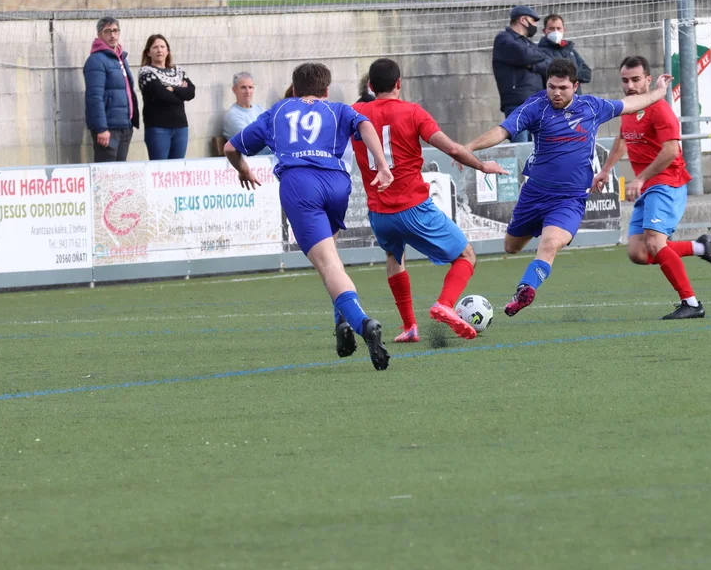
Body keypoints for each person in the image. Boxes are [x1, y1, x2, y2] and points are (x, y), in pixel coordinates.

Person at [224, 62, 395, 371]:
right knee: (330, 259)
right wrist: (382, 165)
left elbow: (230, 148)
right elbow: (365, 125)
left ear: (294, 89)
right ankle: (341, 323)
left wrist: (244, 169)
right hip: (337, 184)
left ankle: (362, 323)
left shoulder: (278, 111)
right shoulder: (338, 109)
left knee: (327, 264)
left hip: (300, 185)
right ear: (326, 90)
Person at [464, 58, 667, 318]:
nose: (556, 93)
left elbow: (631, 104)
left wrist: (659, 91)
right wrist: (469, 148)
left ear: (575, 86)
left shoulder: (592, 107)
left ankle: (525, 289)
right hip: (534, 194)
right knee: (511, 247)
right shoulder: (535, 107)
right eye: (552, 87)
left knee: (549, 245)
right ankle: (531, 251)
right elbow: (502, 131)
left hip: (569, 199)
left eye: (563, 88)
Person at [351, 58, 508, 343]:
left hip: (378, 213)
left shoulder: (355, 112)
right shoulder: (413, 112)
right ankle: (444, 304)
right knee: (466, 256)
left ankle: (409, 326)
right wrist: (482, 165)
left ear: (371, 86)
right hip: (413, 207)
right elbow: (452, 149)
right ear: (399, 83)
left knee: (394, 257)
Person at [592, 56, 711, 320]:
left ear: (648, 79)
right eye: (625, 80)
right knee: (639, 252)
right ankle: (701, 248)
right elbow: (622, 139)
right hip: (648, 186)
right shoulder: (629, 109)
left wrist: (641, 178)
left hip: (667, 182)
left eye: (635, 80)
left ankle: (691, 303)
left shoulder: (660, 109)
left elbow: (671, 151)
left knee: (654, 242)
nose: (630, 86)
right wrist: (605, 170)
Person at [492, 5, 550, 143]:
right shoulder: (504, 39)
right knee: (520, 147)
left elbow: (548, 63)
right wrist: (533, 60)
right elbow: (524, 55)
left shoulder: (529, 44)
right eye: (533, 21)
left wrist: (531, 65)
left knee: (537, 147)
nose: (535, 25)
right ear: (523, 20)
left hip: (536, 104)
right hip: (518, 104)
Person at [84, 17, 139, 163]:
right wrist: (102, 129)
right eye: (107, 31)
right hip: (109, 128)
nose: (112, 35)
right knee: (106, 171)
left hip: (125, 125)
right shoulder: (96, 60)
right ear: (99, 35)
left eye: (115, 31)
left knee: (120, 172)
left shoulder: (121, 58)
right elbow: (94, 97)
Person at [138, 34, 195, 161]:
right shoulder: (146, 73)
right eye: (155, 47)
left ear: (168, 51)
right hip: (158, 128)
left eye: (162, 47)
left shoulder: (178, 71)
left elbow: (191, 92)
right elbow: (162, 96)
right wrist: (181, 91)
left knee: (177, 168)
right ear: (148, 52)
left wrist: (173, 89)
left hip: (181, 127)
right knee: (160, 168)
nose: (159, 50)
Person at [537, 14, 592, 84]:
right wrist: (574, 72)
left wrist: (565, 73)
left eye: (558, 28)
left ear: (564, 30)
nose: (556, 31)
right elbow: (554, 73)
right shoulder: (539, 52)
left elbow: (587, 75)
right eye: (551, 29)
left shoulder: (571, 50)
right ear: (544, 31)